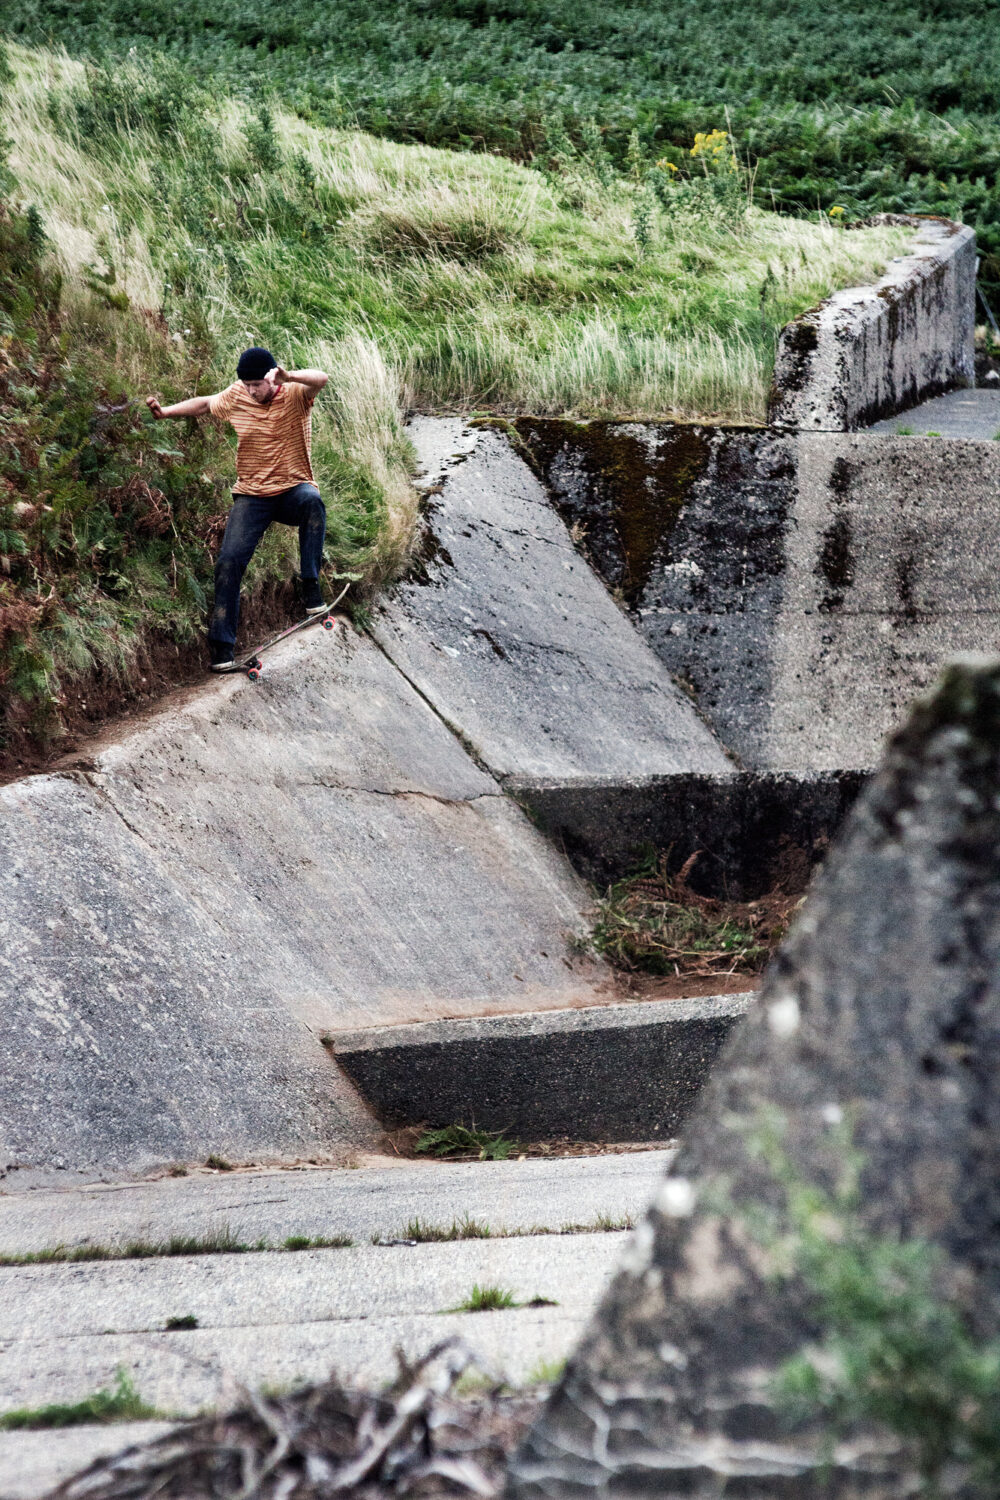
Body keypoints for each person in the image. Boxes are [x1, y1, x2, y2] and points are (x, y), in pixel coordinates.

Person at [146, 347, 330, 671]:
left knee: (313, 502)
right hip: (252, 496)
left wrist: (290, 375)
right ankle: (222, 651)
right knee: (228, 563)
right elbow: (204, 403)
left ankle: (311, 591)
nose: (250, 391)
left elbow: (322, 379)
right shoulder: (237, 395)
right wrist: (166, 412)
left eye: (256, 385)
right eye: (246, 384)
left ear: (272, 378)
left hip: (291, 491)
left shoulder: (296, 393)